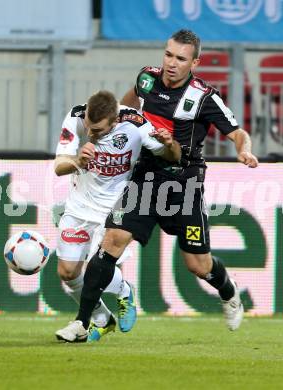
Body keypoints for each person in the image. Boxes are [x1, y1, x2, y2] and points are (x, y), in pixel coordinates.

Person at [70, 29, 259, 342]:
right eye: (169, 55)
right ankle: (81, 322)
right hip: (146, 176)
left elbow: (237, 132)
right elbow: (125, 106)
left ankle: (229, 291)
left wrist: (244, 149)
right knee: (113, 240)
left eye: (181, 58)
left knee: (198, 265)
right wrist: (113, 127)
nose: (171, 63)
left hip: (184, 185)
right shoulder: (147, 78)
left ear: (194, 62)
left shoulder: (204, 97)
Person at [53, 90, 181, 342]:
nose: (91, 134)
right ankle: (103, 318)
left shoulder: (136, 124)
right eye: (89, 127)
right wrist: (78, 161)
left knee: (96, 267)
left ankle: (116, 297)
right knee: (68, 273)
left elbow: (172, 157)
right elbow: (59, 166)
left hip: (116, 207)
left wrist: (168, 144)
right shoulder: (76, 116)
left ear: (115, 121)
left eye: (98, 130)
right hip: (79, 205)